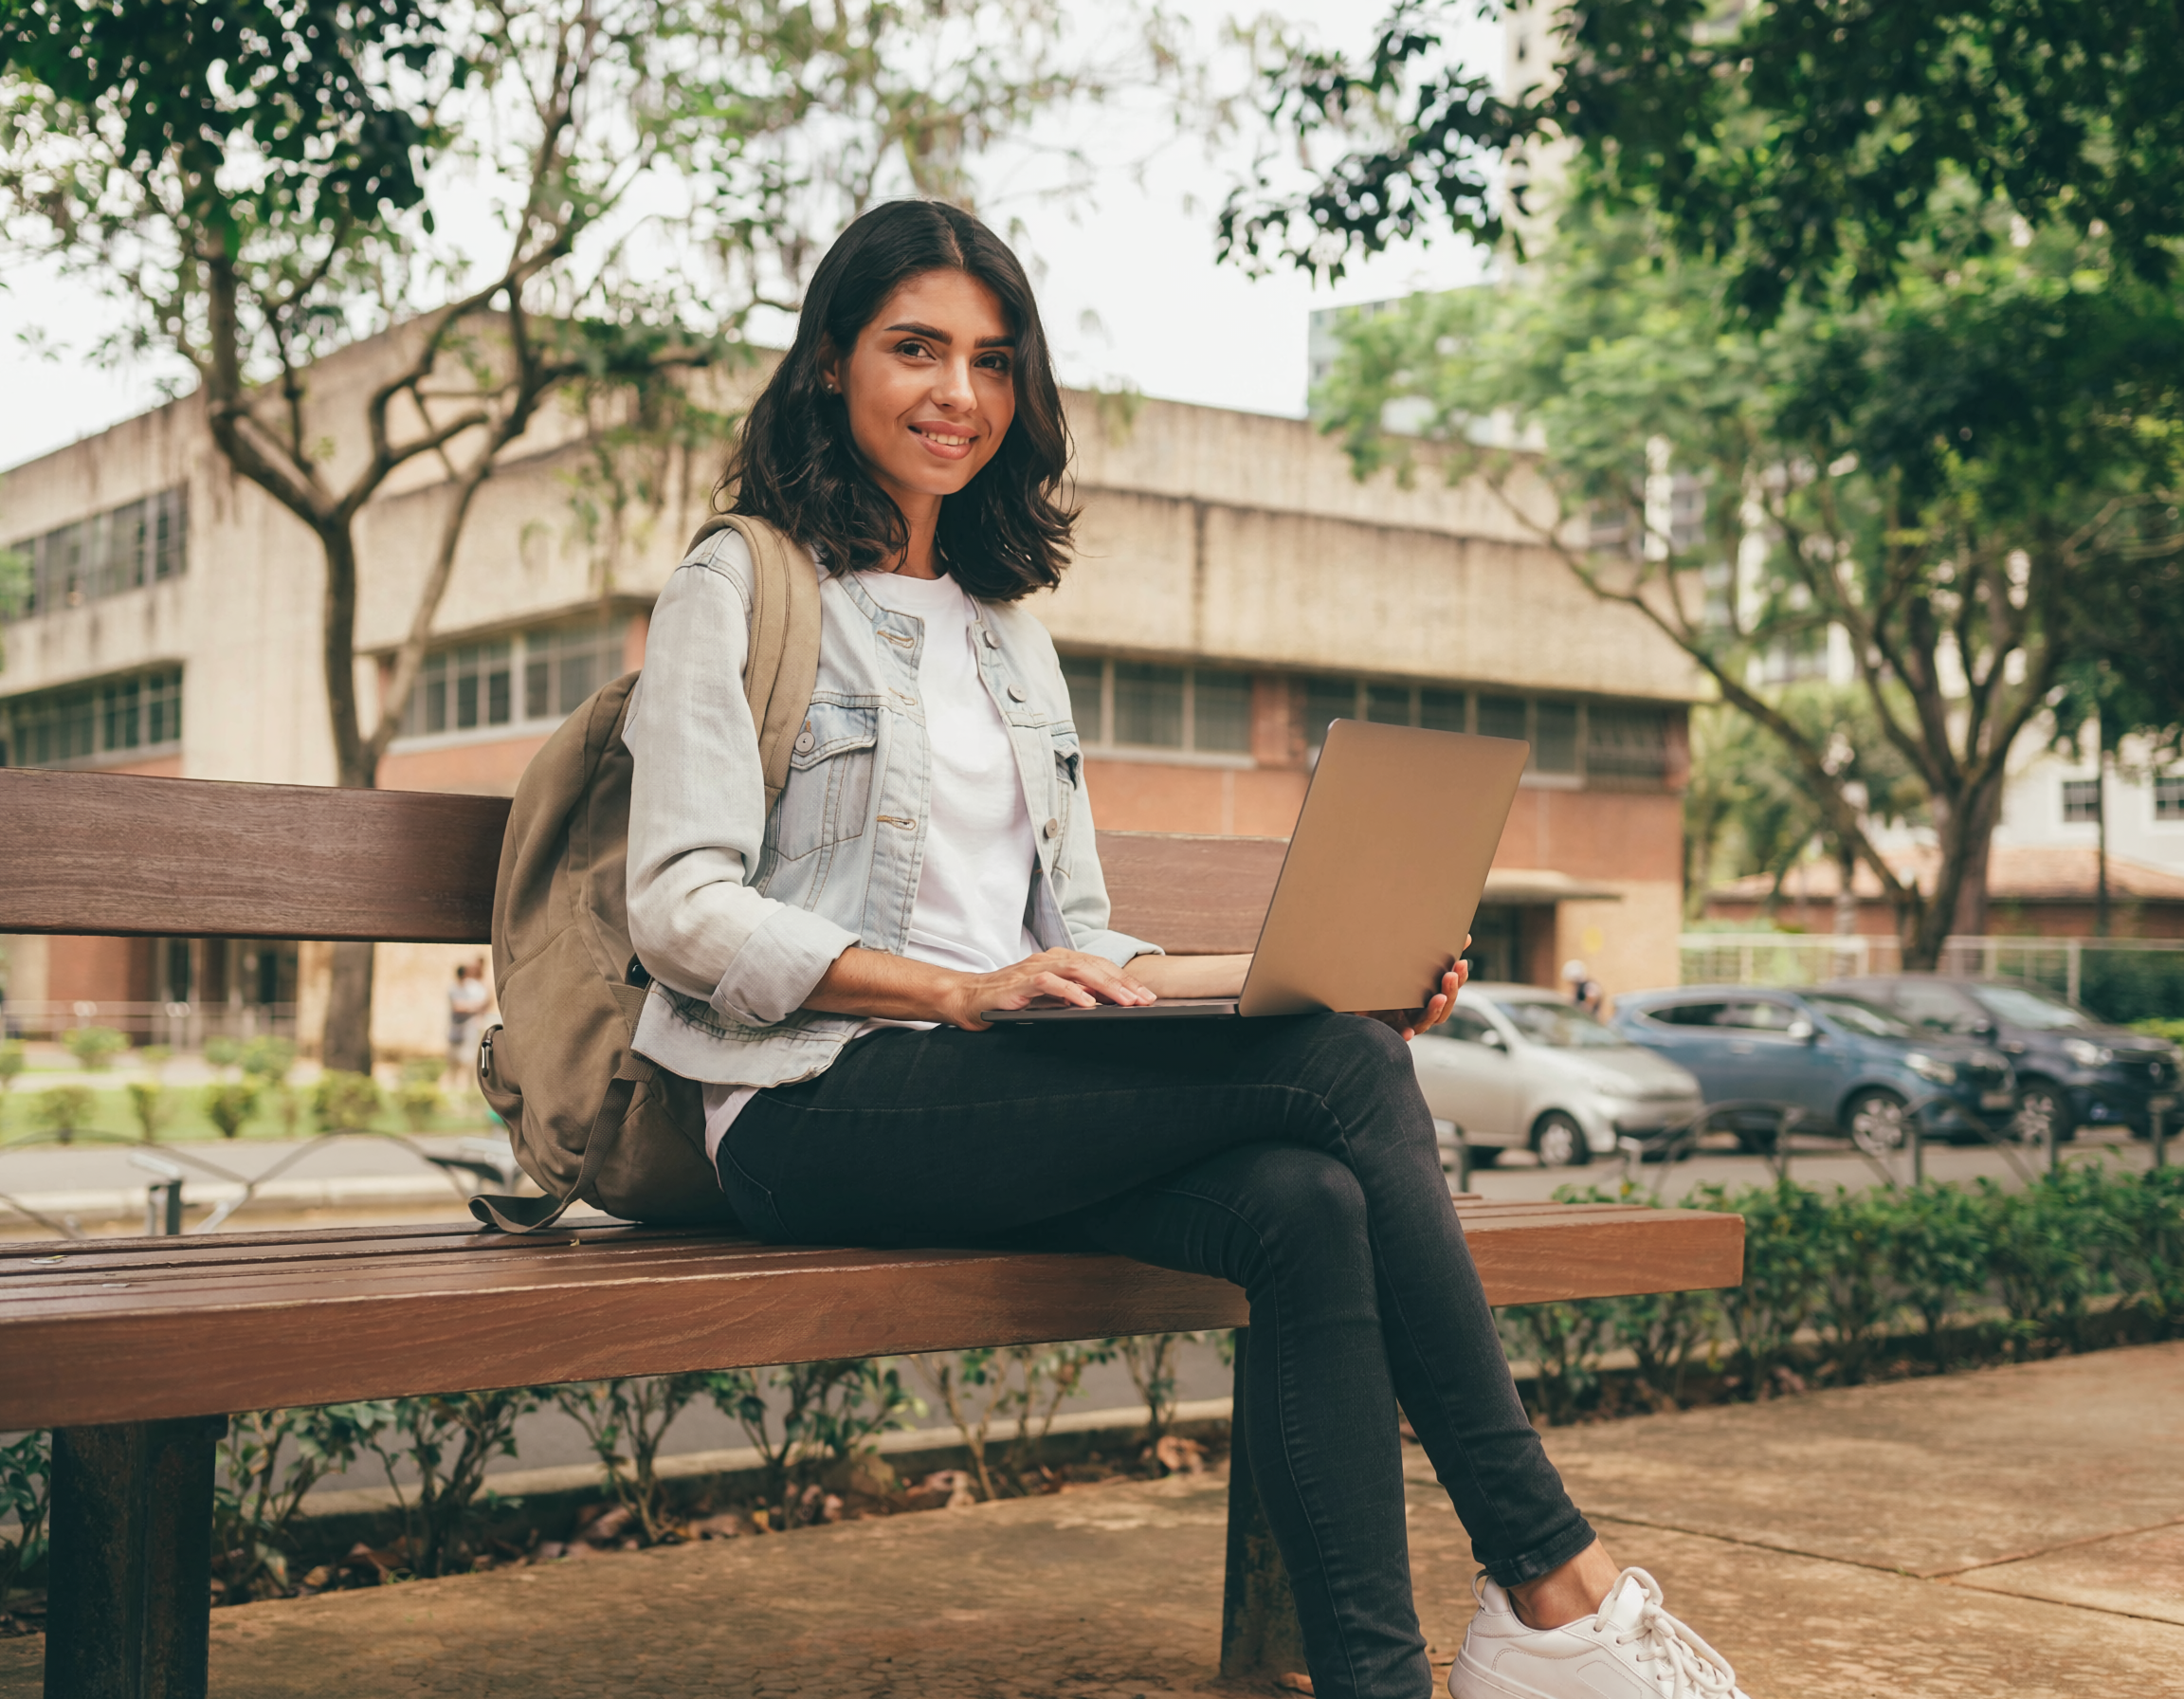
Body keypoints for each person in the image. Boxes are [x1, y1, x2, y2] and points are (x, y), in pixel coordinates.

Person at [622, 199, 1747, 1699]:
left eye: (993, 361)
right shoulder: (740, 581)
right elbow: (680, 908)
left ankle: (1379, 1678)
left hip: (1001, 1083)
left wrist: (1318, 974)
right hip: (810, 1102)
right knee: (1335, 1082)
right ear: (831, 363)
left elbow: (1081, 946)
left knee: (1304, 1198)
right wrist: (956, 990)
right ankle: (1552, 1584)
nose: (958, 392)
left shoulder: (1007, 620)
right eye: (916, 350)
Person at [446, 959, 492, 1089]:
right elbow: (458, 1007)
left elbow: (484, 1002)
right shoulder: (454, 988)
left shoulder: (472, 989)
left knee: (467, 1062)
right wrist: (474, 1007)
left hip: (468, 1032)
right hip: (456, 1032)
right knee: (454, 1063)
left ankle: (465, 1088)